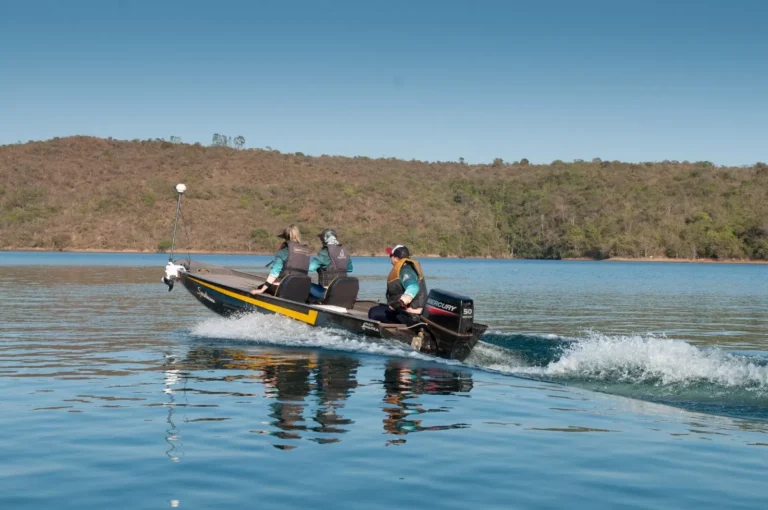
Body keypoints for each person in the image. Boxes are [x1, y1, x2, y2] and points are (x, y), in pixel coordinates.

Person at [367, 244, 428, 324]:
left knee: (373, 312)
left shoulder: (405, 271)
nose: (390, 257)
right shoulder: (408, 267)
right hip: (412, 311)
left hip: (411, 315)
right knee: (381, 308)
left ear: (396, 258)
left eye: (391, 255)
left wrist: (401, 302)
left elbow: (413, 287)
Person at [251, 225, 312, 295]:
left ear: (285, 238)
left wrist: (261, 290)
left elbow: (274, 273)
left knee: (260, 287)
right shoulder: (306, 251)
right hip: (301, 288)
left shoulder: (283, 252)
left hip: (285, 288)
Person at [308, 228, 354, 301]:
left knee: (305, 285)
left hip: (327, 292)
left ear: (325, 238)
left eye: (321, 239)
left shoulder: (325, 251)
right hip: (343, 291)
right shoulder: (344, 251)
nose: (321, 241)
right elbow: (350, 269)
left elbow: (310, 268)